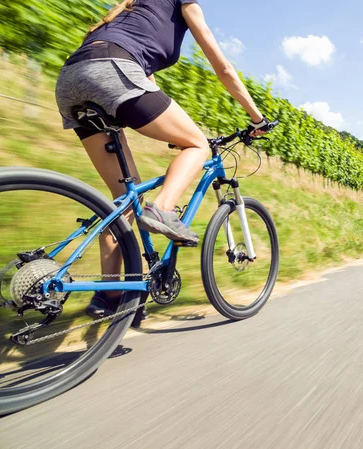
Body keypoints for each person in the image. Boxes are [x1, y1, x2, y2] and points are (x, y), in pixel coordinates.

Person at [55, 0, 271, 317]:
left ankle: (110, 301)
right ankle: (163, 210)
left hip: (71, 81)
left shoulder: (131, 12)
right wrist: (257, 118)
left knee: (123, 203)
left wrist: (172, 131)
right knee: (197, 144)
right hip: (112, 69)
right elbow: (223, 67)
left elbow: (148, 84)